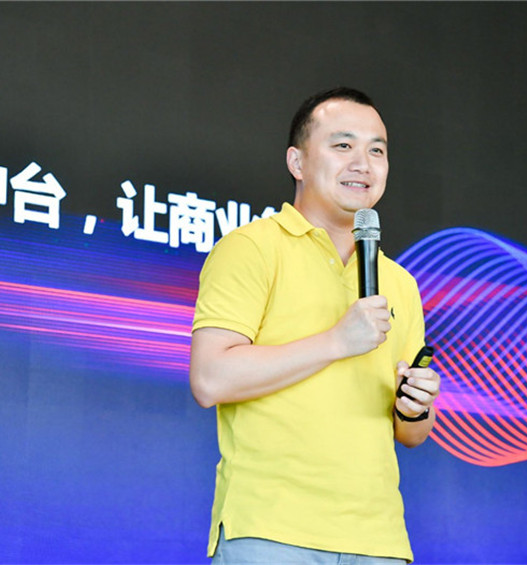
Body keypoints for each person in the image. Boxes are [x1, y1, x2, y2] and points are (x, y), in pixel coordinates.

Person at [189, 87, 441, 564]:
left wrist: (416, 405)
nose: (363, 164)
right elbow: (210, 379)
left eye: (377, 151)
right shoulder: (252, 248)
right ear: (297, 162)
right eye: (343, 145)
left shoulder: (399, 282)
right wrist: (335, 342)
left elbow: (412, 434)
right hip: (271, 531)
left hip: (378, 541)